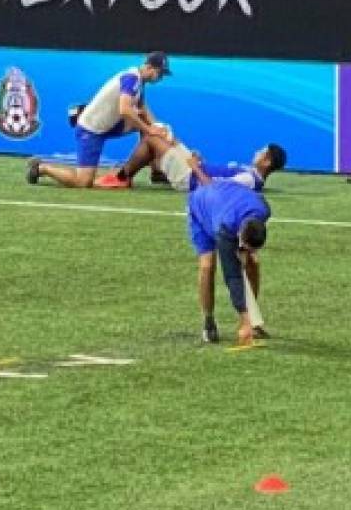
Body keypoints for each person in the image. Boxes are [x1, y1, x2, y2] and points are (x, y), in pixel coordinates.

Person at [26, 52, 172, 188]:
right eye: (160, 73)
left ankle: (156, 172)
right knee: (83, 182)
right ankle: (41, 168)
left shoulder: (139, 81)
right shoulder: (131, 79)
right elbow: (125, 110)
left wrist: (156, 126)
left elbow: (142, 108)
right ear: (148, 67)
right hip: (91, 129)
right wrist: (149, 129)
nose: (161, 78)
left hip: (111, 124)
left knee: (147, 124)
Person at [187, 179, 272, 345]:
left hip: (227, 198)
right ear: (240, 233)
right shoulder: (226, 227)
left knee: (253, 262)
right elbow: (232, 276)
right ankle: (209, 322)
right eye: (245, 245)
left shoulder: (264, 211)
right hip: (202, 209)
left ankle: (251, 321)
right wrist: (244, 315)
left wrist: (245, 251)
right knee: (207, 265)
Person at [99, 135, 287, 193]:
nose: (256, 152)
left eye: (261, 152)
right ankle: (159, 174)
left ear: (267, 161)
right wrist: (200, 162)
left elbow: (213, 188)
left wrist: (195, 165)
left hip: (189, 178)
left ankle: (121, 178)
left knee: (151, 140)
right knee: (167, 135)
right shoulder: (252, 175)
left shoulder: (248, 179)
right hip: (194, 170)